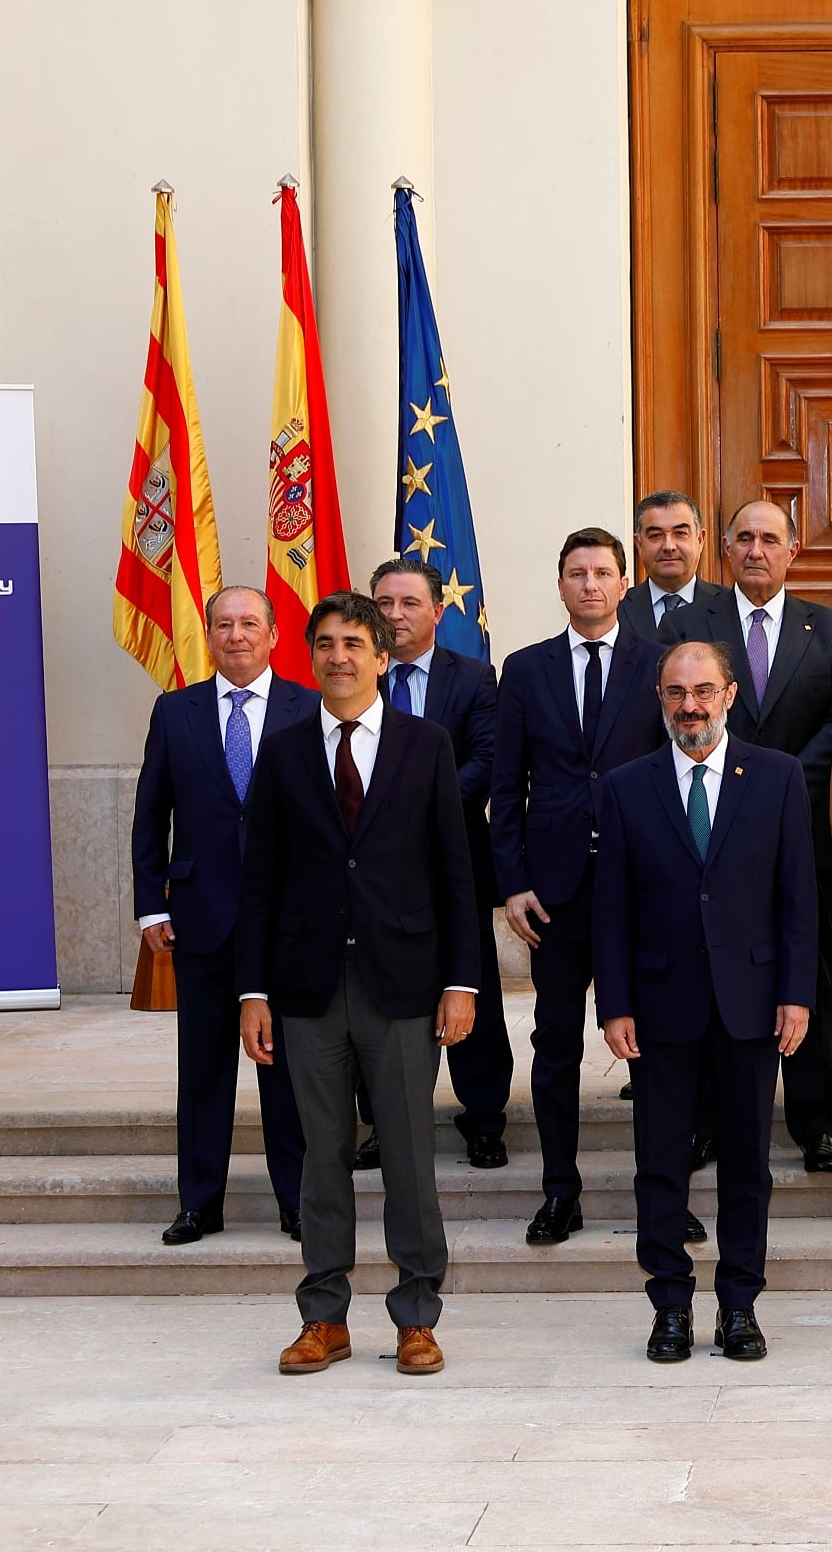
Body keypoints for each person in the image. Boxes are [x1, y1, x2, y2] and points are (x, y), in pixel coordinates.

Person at [236, 590, 480, 1377]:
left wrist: (462, 982)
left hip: (404, 983)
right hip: (306, 986)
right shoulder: (281, 751)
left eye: (354, 643)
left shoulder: (425, 743)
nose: (338, 656)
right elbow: (259, 879)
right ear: (309, 656)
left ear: (383, 657)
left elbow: (454, 871)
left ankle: (415, 1315)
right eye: (326, 643)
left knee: (408, 1152)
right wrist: (253, 992)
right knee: (321, 1153)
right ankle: (323, 1316)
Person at [594, 641, 817, 1364]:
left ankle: (739, 1304)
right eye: (674, 692)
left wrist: (796, 992)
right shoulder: (627, 786)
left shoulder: (778, 777)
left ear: (728, 695)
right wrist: (615, 1003)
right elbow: (612, 909)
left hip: (751, 1002)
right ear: (658, 698)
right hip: (659, 1004)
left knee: (747, 1161)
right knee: (659, 1160)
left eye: (702, 690)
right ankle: (669, 1302)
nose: (689, 705)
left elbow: (796, 898)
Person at [663, 499, 832, 1171]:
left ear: (792, 549)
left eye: (768, 539)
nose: (755, 549)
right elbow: (681, 710)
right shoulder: (690, 624)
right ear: (724, 548)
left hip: (803, 824)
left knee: (804, 966)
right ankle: (709, 1120)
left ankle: (816, 1122)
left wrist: (768, 782)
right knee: (713, 967)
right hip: (707, 832)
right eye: (743, 538)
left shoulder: (830, 629)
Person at [490, 528, 669, 1246]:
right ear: (559, 585)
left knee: (655, 1043)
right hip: (554, 893)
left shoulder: (660, 664)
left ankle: (663, 1193)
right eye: (576, 573)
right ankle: (559, 1191)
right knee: (555, 1042)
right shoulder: (525, 669)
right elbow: (507, 786)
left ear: (624, 583)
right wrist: (513, 881)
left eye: (602, 572)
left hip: (640, 887)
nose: (590, 584)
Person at [130, 586, 312, 1245]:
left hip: (287, 919)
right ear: (208, 634)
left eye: (249, 624)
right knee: (203, 1066)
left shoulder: (309, 708)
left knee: (286, 1067)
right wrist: (150, 903)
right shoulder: (174, 711)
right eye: (224, 624)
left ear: (273, 635)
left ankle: (296, 1200)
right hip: (200, 915)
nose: (236, 635)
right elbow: (151, 813)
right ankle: (199, 1202)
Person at [372, 556, 510, 1168]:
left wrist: (414, 804)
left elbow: (488, 759)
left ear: (437, 610)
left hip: (457, 860)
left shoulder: (475, 678)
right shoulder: (354, 675)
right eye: (384, 605)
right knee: (380, 997)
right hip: (372, 870)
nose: (396, 616)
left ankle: (483, 1117)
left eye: (409, 604)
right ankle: (380, 1120)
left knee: (468, 985)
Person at [620, 489, 733, 640]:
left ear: (700, 540)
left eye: (680, 533)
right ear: (639, 544)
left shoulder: (730, 605)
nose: (669, 546)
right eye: (656, 536)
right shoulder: (616, 608)